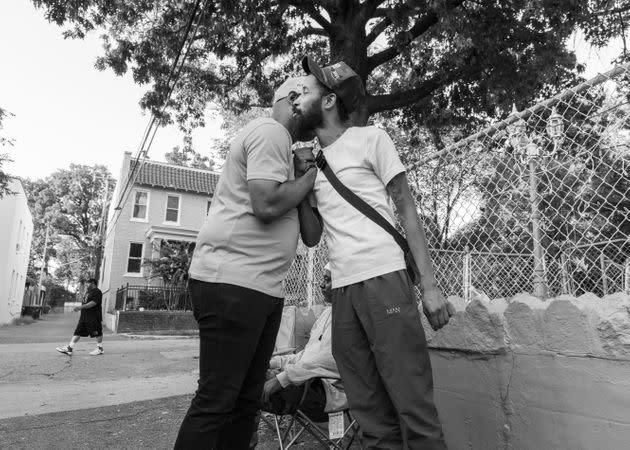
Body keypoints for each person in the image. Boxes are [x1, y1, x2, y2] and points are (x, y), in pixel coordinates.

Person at [291, 56, 456, 449]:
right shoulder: (312, 163)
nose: (297, 96)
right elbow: (312, 236)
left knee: (413, 406)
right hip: (342, 294)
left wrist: (429, 287)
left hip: (384, 278)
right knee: (369, 415)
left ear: (329, 101)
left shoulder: (372, 139)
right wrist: (302, 181)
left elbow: (406, 207)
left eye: (306, 90)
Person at [174, 77, 322, 450]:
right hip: (233, 281)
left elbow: (312, 235)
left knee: (245, 402)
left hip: (263, 290)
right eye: (316, 100)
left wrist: (303, 177)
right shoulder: (271, 132)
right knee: (217, 401)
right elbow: (266, 204)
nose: (322, 109)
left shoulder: (287, 155)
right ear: (294, 100)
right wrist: (311, 177)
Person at [262, 264, 346, 421]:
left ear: (342, 284)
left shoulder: (348, 319)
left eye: (328, 280)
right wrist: (273, 363)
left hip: (327, 393)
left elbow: (325, 360)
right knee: (245, 375)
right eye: (323, 278)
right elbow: (307, 355)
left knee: (245, 387)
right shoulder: (327, 313)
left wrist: (281, 379)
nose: (321, 284)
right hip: (306, 384)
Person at [56, 278, 104, 356]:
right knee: (78, 331)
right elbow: (86, 301)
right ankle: (69, 348)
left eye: (87, 283)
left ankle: (100, 348)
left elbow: (93, 303)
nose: (86, 285)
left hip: (94, 317)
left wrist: (79, 308)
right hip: (84, 317)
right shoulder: (88, 292)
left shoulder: (97, 292)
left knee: (97, 332)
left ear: (92, 283)